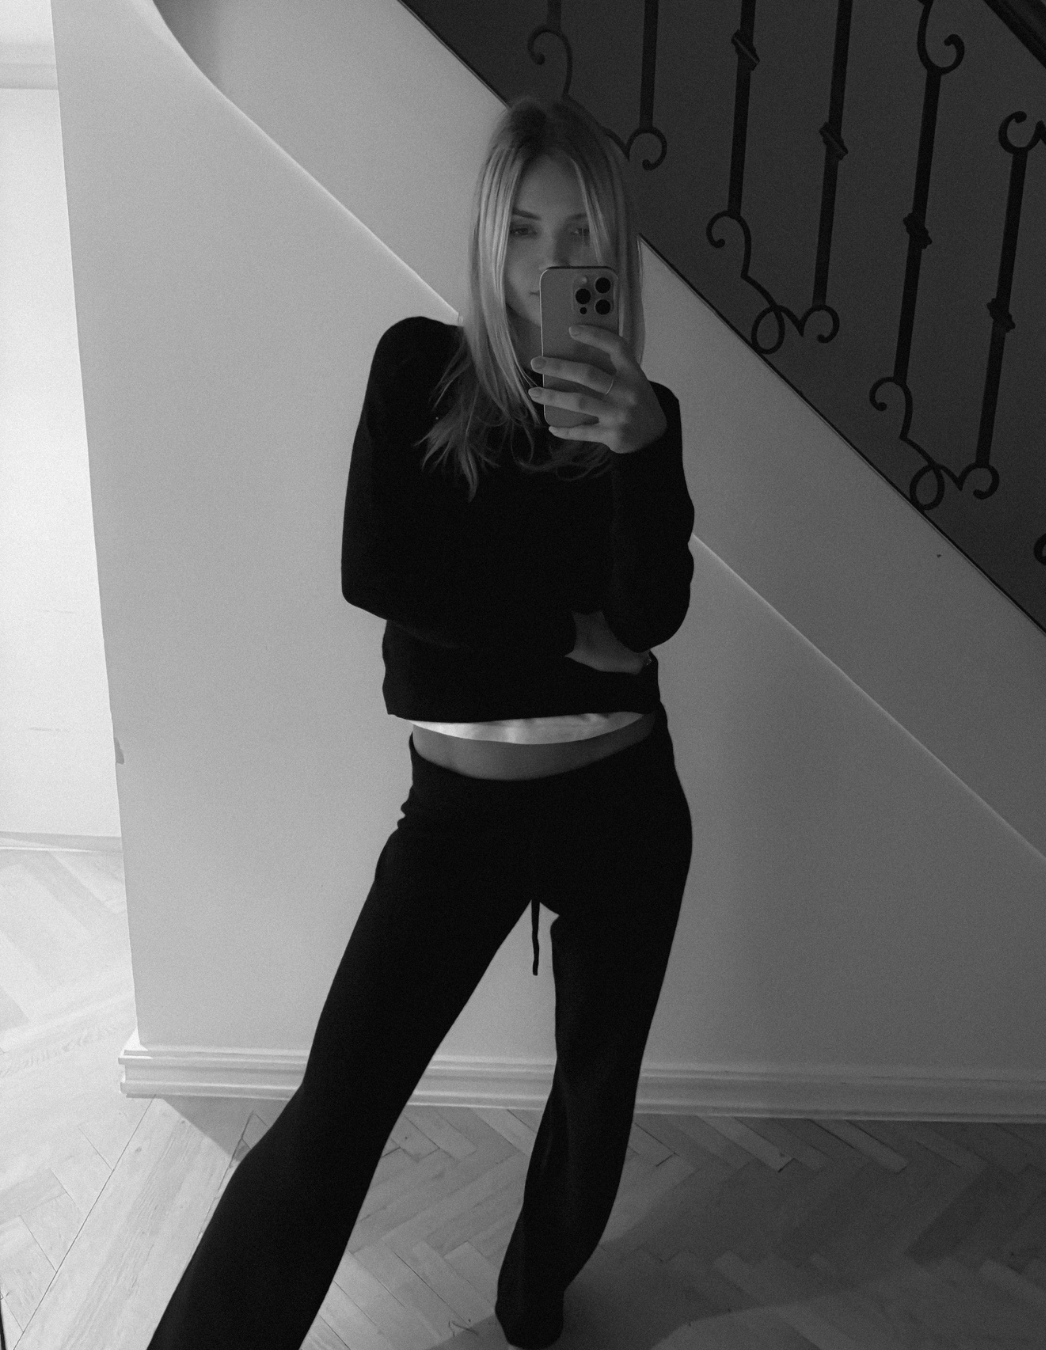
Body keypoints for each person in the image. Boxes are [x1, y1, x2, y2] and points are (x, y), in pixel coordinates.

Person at [147, 92, 695, 1350]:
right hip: (461, 815)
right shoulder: (418, 371)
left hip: (625, 804)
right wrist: (563, 635)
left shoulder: (642, 411)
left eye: (582, 236)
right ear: (488, 240)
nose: (552, 262)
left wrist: (644, 451)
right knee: (335, 1112)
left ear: (613, 252)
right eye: (526, 232)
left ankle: (533, 1296)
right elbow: (383, 574)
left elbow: (648, 616)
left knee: (596, 1094)